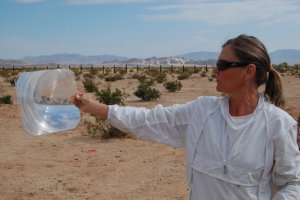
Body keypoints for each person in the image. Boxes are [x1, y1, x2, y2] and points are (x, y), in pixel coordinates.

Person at [72, 34, 300, 199]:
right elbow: (149, 119)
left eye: (222, 64)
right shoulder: (202, 112)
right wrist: (97, 108)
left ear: (249, 71)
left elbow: (292, 184)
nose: (214, 69)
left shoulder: (278, 124)